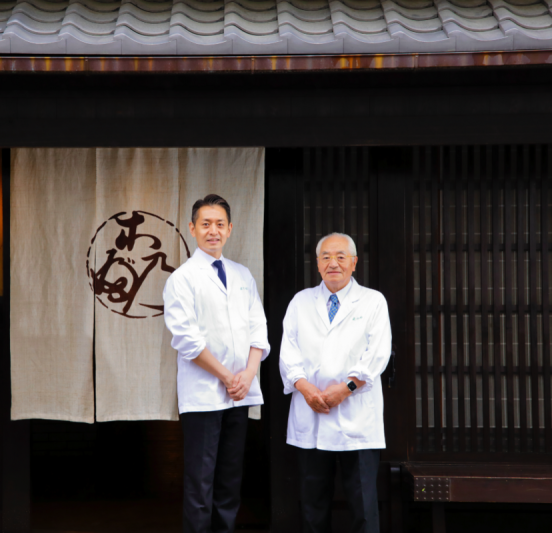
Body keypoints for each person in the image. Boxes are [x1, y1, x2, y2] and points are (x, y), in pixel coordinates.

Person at [163, 194, 270, 533]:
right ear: (192, 228)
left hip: (240, 393)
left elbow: (258, 328)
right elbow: (187, 339)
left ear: (230, 229)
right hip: (204, 395)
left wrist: (248, 374)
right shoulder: (182, 278)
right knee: (200, 483)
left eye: (220, 224)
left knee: (229, 480)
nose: (213, 231)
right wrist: (227, 376)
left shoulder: (242, 274)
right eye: (206, 224)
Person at [279, 232, 392, 533]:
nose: (333, 263)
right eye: (326, 257)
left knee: (363, 506)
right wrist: (306, 389)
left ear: (354, 263)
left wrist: (346, 388)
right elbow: (288, 353)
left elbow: (377, 354)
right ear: (317, 264)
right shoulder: (301, 301)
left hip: (357, 417)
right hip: (312, 411)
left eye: (341, 257)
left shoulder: (373, 301)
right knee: (312, 506)